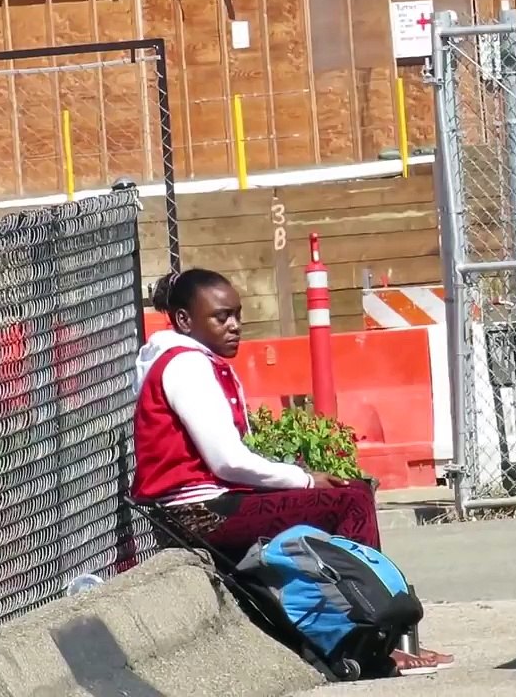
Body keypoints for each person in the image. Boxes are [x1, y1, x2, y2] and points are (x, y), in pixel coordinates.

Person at [131, 267, 453, 676]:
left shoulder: (191, 360)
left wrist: (300, 479)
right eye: (221, 317)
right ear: (184, 320)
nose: (234, 326)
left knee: (349, 491)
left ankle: (373, 630)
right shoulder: (186, 366)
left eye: (237, 315)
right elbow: (228, 461)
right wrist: (303, 479)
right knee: (348, 501)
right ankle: (369, 639)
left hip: (213, 502)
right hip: (197, 513)